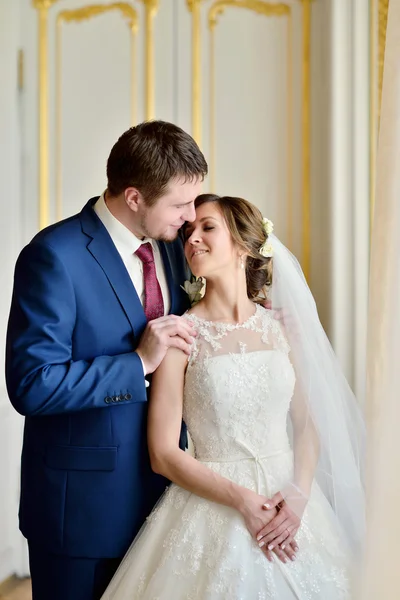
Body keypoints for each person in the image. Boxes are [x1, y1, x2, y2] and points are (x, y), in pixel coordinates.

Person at [101, 194, 366, 599]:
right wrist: (240, 500)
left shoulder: (281, 328)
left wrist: (298, 494)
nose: (192, 239)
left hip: (291, 504)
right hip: (213, 507)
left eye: (208, 227)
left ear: (244, 246)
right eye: (188, 231)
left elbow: (308, 424)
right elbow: (163, 453)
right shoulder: (180, 336)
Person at [5, 120, 208, 600]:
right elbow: (32, 384)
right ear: (134, 197)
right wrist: (137, 362)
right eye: (180, 204)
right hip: (82, 514)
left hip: (169, 506)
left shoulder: (177, 247)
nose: (191, 216)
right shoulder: (54, 256)